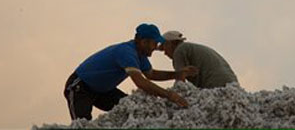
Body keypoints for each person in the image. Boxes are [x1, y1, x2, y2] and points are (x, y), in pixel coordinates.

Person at [64, 23, 198, 121]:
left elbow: (151, 74)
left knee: (131, 108)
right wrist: (169, 95)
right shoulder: (126, 52)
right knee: (82, 124)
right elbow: (141, 82)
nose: (156, 47)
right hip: (81, 86)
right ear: (144, 41)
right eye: (154, 43)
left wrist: (177, 73)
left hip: (103, 90)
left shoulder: (140, 55)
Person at [160, 30, 239, 89]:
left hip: (216, 84)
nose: (165, 53)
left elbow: (180, 79)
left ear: (169, 43)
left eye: (164, 48)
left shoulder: (179, 51)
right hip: (232, 84)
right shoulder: (189, 48)